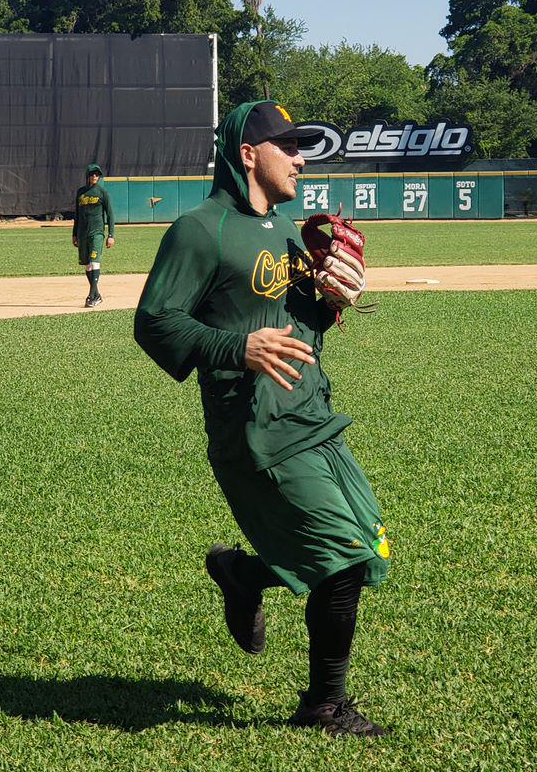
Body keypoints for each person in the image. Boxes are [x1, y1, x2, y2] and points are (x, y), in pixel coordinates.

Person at [134, 100, 390, 738]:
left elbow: (297, 326)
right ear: (249, 155)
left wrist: (334, 300)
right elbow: (153, 322)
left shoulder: (285, 228)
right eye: (289, 147)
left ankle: (243, 574)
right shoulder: (201, 230)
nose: (301, 158)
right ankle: (323, 707)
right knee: (343, 555)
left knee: (370, 550)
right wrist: (234, 349)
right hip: (254, 431)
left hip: (312, 413)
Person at [73, 163, 115, 307]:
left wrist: (111, 235)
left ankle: (91, 296)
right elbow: (77, 215)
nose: (95, 176)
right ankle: (97, 295)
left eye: (97, 174)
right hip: (82, 234)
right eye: (92, 174)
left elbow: (110, 215)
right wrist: (74, 234)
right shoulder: (81, 192)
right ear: (88, 176)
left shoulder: (102, 193)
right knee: (87, 266)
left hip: (97, 232)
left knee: (94, 261)